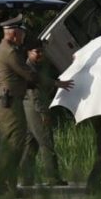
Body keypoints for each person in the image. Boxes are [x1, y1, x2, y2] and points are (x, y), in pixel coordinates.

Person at [0, 15, 73, 194]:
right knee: (15, 144)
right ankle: (8, 185)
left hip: (4, 103)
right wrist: (56, 83)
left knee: (10, 144)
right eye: (21, 33)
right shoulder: (10, 52)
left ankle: (3, 184)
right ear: (13, 33)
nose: (23, 37)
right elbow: (30, 76)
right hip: (10, 104)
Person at [18, 38, 67, 186]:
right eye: (37, 52)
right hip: (35, 109)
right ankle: (53, 178)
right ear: (28, 52)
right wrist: (43, 113)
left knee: (31, 144)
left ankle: (26, 178)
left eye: (41, 51)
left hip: (29, 109)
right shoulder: (30, 69)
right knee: (46, 142)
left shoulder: (35, 67)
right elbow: (35, 95)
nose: (40, 54)